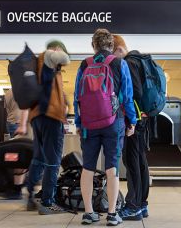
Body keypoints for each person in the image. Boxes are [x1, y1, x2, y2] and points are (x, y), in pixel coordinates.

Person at [74, 29, 137, 226]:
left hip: (88, 124)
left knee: (88, 168)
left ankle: (89, 213)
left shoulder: (84, 64)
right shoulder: (120, 63)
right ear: (111, 45)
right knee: (112, 168)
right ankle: (111, 214)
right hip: (114, 122)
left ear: (94, 46)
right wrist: (132, 121)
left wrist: (78, 122)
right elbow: (127, 96)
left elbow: (77, 97)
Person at [21, 40, 70, 215]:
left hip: (38, 116)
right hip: (50, 117)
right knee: (53, 161)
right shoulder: (48, 56)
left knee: (39, 158)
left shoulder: (39, 65)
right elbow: (65, 58)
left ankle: (30, 196)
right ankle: (48, 202)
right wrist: (58, 52)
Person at [113, 34, 150, 220]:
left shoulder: (128, 62)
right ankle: (142, 204)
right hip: (142, 118)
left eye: (114, 54)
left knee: (132, 161)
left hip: (133, 120)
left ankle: (133, 205)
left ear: (119, 49)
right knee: (140, 161)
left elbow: (135, 91)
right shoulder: (139, 60)